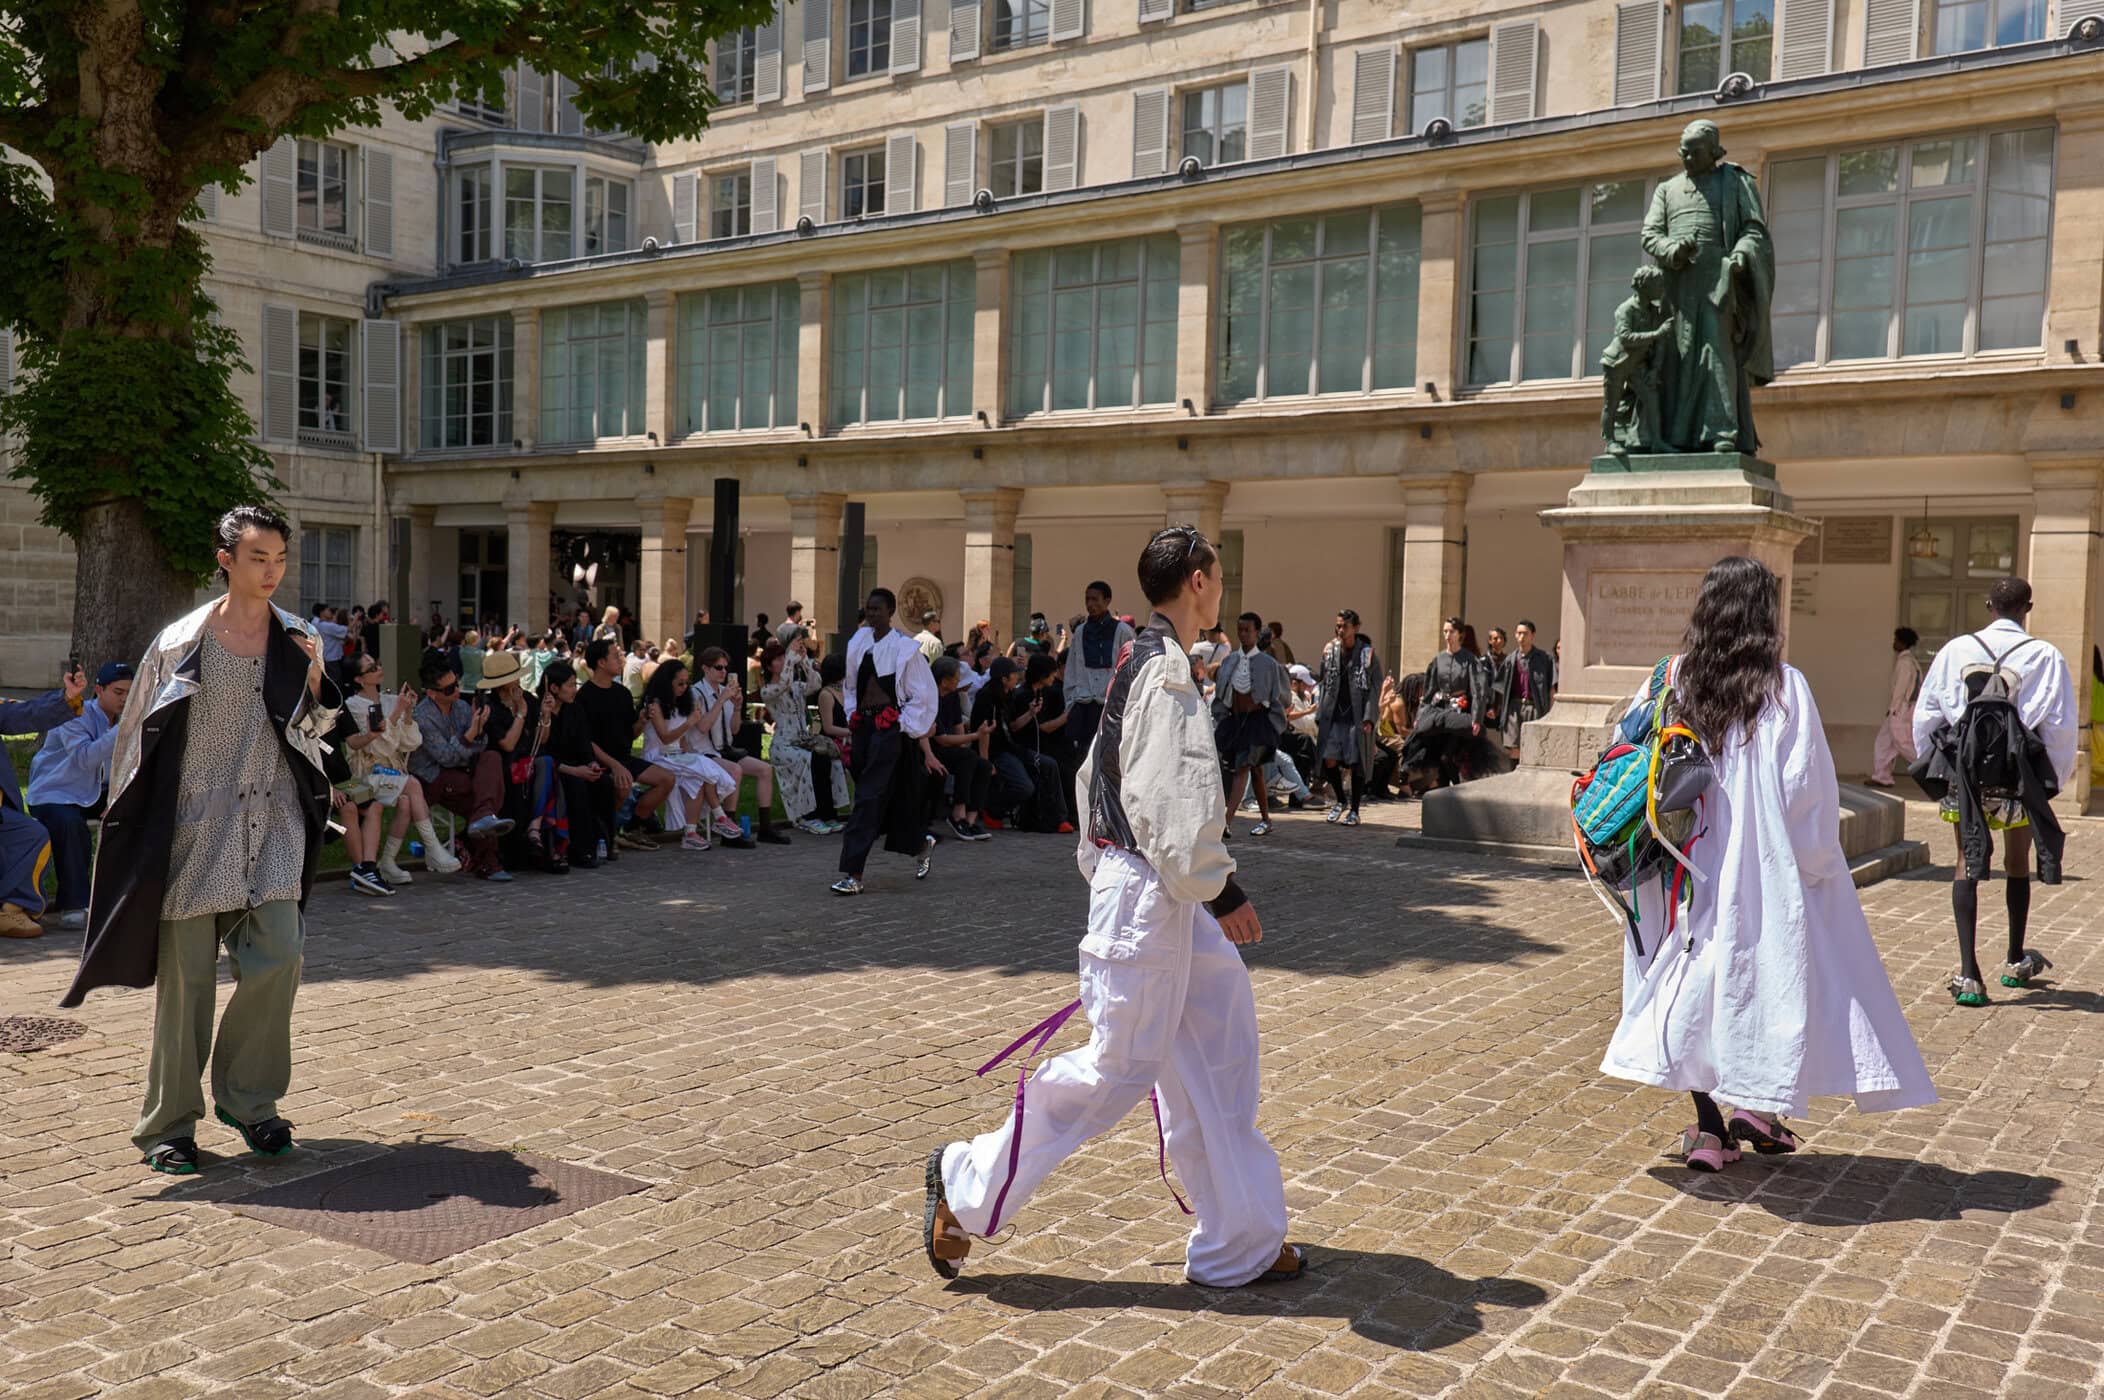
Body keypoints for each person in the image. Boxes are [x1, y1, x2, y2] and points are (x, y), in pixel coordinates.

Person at [924, 524, 1298, 1288]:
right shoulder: (1161, 669)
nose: (1222, 588)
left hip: (1156, 888)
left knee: (1218, 1046)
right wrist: (1218, 888)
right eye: (1217, 574)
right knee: (1117, 1068)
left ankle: (1242, 1237)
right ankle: (965, 1185)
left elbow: (1097, 774)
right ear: (1198, 581)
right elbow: (1163, 798)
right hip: (1154, 889)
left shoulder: (1144, 659)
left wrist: (1132, 873)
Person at [1601, 556, 1935, 1171]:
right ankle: (1755, 1107)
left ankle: (1710, 1130)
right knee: (1761, 980)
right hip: (1757, 864)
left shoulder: (1672, 679)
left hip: (1679, 861)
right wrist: (1816, 864)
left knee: (1690, 986)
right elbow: (1806, 789)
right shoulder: (1783, 687)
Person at [62, 505, 343, 1175]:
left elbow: (320, 731)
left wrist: (314, 681)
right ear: (226, 559)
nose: (271, 571)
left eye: (280, 559)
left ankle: (249, 1100)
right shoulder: (179, 642)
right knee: (186, 982)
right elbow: (135, 739)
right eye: (258, 558)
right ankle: (169, 1124)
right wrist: (128, 827)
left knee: (280, 954)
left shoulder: (299, 636)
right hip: (192, 827)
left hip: (273, 821)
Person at [1912, 578, 2076, 1006]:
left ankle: (1969, 975)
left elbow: (1927, 713)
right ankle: (2015, 959)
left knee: (1966, 861)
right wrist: (2051, 781)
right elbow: (2059, 725)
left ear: (1988, 606)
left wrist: (1936, 767)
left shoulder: (1955, 650)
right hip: (2018, 775)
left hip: (1966, 775)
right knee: (2017, 861)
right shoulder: (2044, 655)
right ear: (2028, 608)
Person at [833, 588, 941, 895]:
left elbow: (923, 694)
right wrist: (853, 716)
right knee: (886, 798)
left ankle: (853, 874)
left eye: (877, 609)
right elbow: (850, 685)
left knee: (867, 798)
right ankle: (919, 842)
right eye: (868, 609)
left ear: (890, 612)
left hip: (889, 732)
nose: (871, 614)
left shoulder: (905, 648)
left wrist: (901, 724)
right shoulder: (859, 642)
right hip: (864, 729)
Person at [25, 662, 129, 932]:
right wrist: (123, 730)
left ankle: (125, 894)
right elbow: (85, 758)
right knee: (70, 825)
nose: (125, 700)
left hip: (96, 793)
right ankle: (73, 905)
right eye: (118, 692)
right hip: (54, 793)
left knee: (141, 812)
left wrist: (117, 800)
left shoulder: (125, 721)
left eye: (130, 694)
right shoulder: (75, 714)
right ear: (99, 690)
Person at [341, 654, 461, 886]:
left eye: (378, 664)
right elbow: (378, 746)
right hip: (363, 776)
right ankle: (433, 848)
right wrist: (397, 713)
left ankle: (387, 862)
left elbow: (411, 743)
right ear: (359, 679)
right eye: (372, 668)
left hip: (390, 773)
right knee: (412, 784)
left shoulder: (390, 700)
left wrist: (406, 714)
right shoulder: (353, 706)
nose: (379, 669)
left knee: (406, 802)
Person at [409, 658, 516, 880]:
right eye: (449, 689)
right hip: (433, 776)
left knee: (492, 758)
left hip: (463, 768)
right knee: (479, 795)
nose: (457, 691)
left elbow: (482, 744)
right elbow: (445, 758)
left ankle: (482, 821)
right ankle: (488, 860)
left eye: (456, 684)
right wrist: (469, 735)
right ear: (432, 693)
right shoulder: (423, 717)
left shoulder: (462, 707)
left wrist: (475, 734)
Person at [640, 657, 743, 850]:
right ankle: (720, 817)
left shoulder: (680, 702)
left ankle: (691, 832)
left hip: (676, 755)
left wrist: (685, 747)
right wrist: (689, 723)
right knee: (702, 769)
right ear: (667, 682)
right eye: (680, 683)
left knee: (698, 778)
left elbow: (681, 739)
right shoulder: (655, 704)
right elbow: (665, 737)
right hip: (658, 756)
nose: (684, 687)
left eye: (686, 683)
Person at [693, 646, 791, 846]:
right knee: (735, 770)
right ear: (705, 668)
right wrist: (721, 701)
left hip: (724, 749)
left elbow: (735, 729)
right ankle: (729, 831)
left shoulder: (725, 691)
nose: (723, 672)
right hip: (702, 752)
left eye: (725, 668)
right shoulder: (696, 693)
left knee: (765, 769)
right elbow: (702, 727)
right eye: (718, 667)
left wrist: (737, 707)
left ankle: (765, 827)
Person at [759, 639, 848, 835]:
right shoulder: (767, 690)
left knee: (826, 760)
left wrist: (805, 660)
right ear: (768, 666)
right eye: (778, 659)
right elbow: (782, 684)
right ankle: (808, 816)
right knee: (810, 761)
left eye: (783, 657)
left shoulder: (796, 686)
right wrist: (791, 661)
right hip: (784, 745)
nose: (783, 661)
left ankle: (827, 814)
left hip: (803, 741)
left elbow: (816, 683)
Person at [1211, 612, 1288, 837]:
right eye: (1240, 630)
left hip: (1257, 722)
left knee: (1243, 767)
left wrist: (1269, 709)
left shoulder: (1268, 664)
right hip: (1235, 721)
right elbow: (1223, 691)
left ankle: (1226, 822)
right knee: (1255, 771)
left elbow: (1279, 695)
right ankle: (1265, 818)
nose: (1243, 634)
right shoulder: (1230, 661)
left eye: (1248, 630)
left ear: (1256, 632)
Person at [1316, 608, 1383, 826]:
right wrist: (1320, 712)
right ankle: (1340, 800)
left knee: (1356, 762)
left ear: (1355, 628)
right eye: (1338, 626)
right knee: (1329, 758)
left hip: (1356, 716)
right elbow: (1323, 682)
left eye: (1345, 626)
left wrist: (1369, 717)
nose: (1340, 630)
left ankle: (1354, 809)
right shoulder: (1330, 651)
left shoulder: (1367, 654)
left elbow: (1374, 688)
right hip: (1334, 714)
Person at [1063, 581, 1134, 759]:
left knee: (1109, 757)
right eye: (1087, 599)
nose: (1090, 604)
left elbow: (1131, 669)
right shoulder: (1080, 632)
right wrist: (1071, 702)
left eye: (1095, 599)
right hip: (1083, 705)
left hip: (1109, 705)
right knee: (1080, 757)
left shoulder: (1123, 631)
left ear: (1107, 600)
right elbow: (1071, 669)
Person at [929, 657, 995, 842]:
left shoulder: (953, 697)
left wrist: (969, 741)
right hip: (932, 749)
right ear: (944, 681)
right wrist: (976, 736)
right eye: (956, 677)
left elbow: (958, 728)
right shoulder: (930, 698)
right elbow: (942, 739)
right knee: (967, 757)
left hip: (952, 748)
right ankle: (958, 814)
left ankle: (970, 819)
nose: (959, 681)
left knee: (982, 765)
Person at [1866, 627, 1922, 788]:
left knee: (1904, 745)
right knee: (1884, 743)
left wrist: (1893, 708)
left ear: (1902, 642)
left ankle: (1933, 770)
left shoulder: (1905, 663)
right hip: (1901, 708)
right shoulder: (1912, 662)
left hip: (1900, 710)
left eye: (1896, 640)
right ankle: (1881, 776)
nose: (1894, 643)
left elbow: (1901, 689)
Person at [1498, 619, 1556, 759]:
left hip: (1535, 708)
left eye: (1525, 633)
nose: (1522, 637)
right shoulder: (1510, 660)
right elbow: (1500, 688)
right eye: (1519, 633)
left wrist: (1551, 712)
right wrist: (1495, 709)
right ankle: (1513, 772)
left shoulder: (1544, 659)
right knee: (1514, 748)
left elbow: (1552, 688)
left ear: (1532, 635)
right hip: (1514, 708)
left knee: (1533, 748)